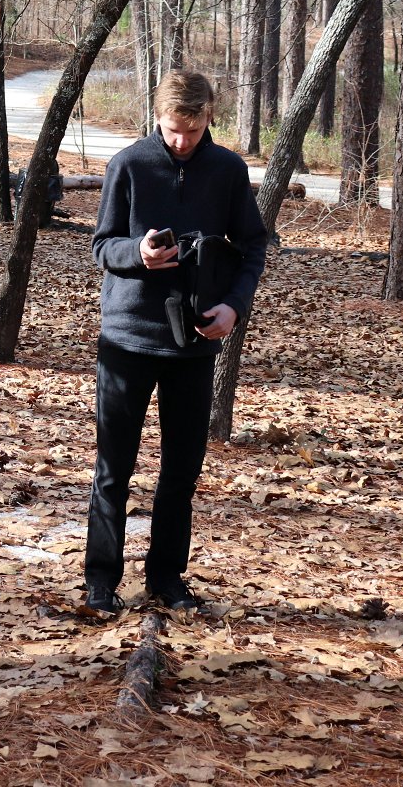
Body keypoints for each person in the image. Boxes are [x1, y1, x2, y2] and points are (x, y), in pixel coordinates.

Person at [83, 69, 268, 618]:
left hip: (194, 342)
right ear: (157, 117)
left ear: (209, 116)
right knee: (113, 469)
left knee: (181, 471)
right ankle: (100, 581)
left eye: (192, 130)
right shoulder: (129, 164)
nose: (182, 141)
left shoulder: (228, 170)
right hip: (126, 339)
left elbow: (253, 245)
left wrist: (233, 306)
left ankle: (165, 577)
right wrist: (136, 254)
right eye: (172, 130)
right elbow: (102, 245)